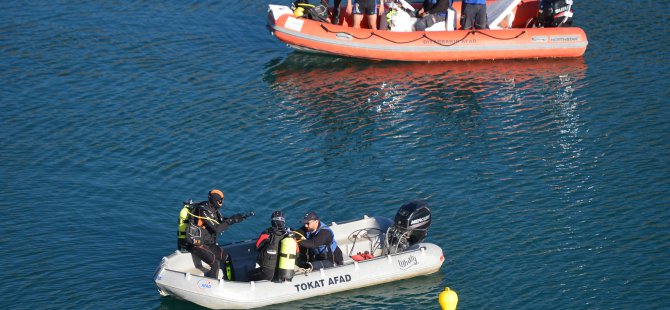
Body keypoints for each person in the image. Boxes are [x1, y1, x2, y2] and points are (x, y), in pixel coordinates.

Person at [188, 189, 246, 278]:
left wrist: (235, 219)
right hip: (198, 244)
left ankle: (231, 280)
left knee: (227, 259)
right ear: (215, 200)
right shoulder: (203, 210)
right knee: (215, 264)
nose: (221, 203)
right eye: (220, 201)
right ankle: (210, 287)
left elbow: (220, 221)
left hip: (209, 243)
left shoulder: (214, 209)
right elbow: (217, 228)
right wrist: (231, 221)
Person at [247, 210, 288, 281]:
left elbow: (257, 246)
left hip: (268, 271)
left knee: (248, 275)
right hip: (282, 269)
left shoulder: (267, 233)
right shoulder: (289, 235)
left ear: (272, 222)